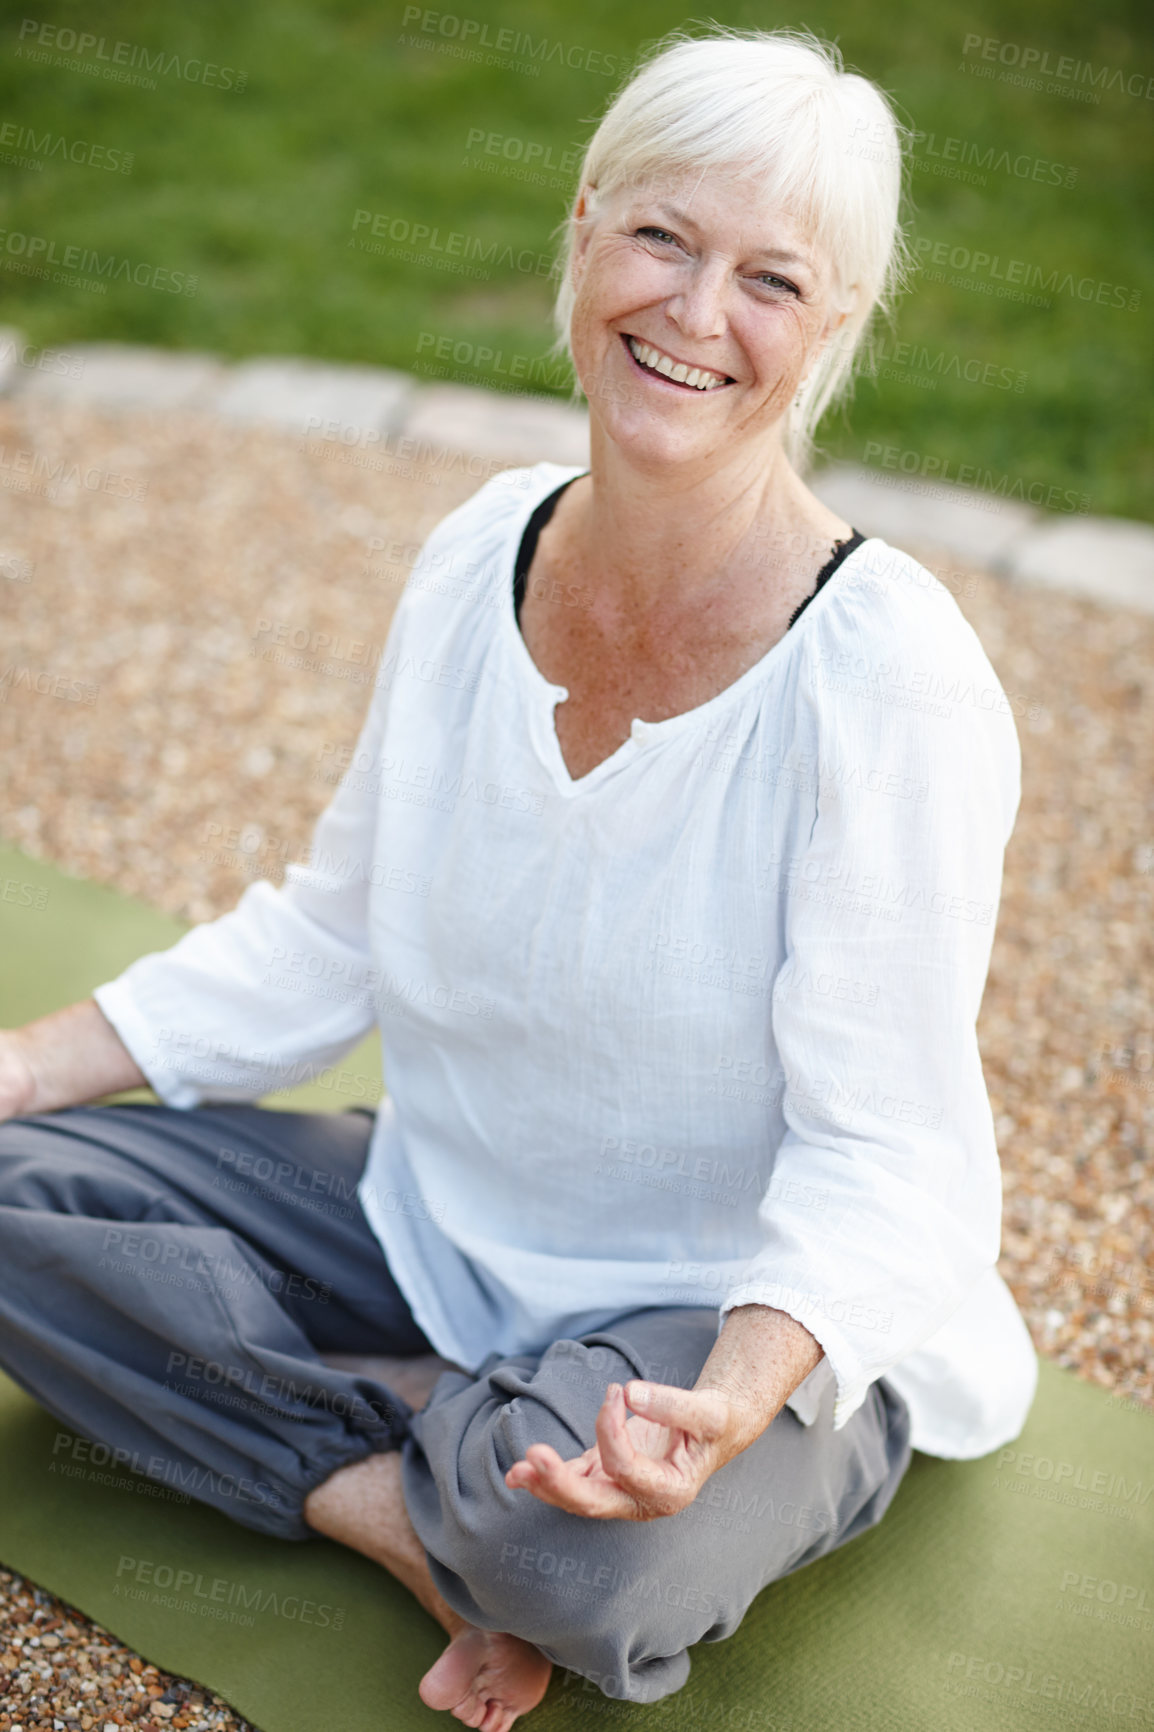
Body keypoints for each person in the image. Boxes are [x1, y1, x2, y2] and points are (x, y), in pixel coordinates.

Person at [0, 27, 1037, 1732]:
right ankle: (400, 1495)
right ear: (579, 232)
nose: (697, 314)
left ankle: (455, 1473)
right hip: (442, 1220)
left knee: (584, 1572)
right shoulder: (479, 545)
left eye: (770, 278)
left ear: (835, 325)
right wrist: (30, 1063)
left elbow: (892, 1160)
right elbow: (333, 931)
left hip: (726, 1317)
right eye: (661, 239)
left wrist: (729, 1397)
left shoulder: (889, 675)